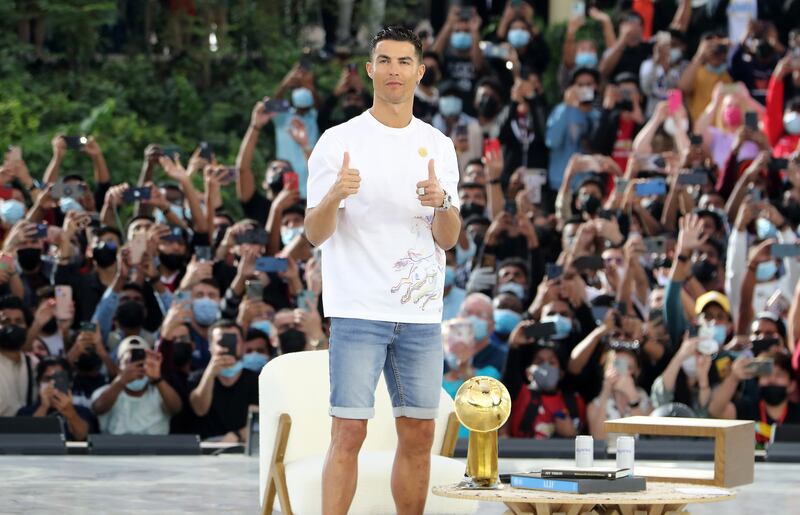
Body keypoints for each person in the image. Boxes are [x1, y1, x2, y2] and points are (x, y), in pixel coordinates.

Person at [305, 27, 460, 515]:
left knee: (419, 434)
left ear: (419, 71)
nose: (394, 70)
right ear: (371, 69)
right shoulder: (338, 140)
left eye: (403, 61)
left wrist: (444, 203)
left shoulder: (439, 144)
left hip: (419, 313)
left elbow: (449, 238)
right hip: (357, 308)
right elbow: (314, 233)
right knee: (348, 431)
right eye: (384, 61)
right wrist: (335, 195)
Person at [91, 336, 182, 435]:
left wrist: (158, 379)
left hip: (154, 448)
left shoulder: (161, 393)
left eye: (141, 363)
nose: (135, 367)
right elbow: (98, 408)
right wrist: (121, 381)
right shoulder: (103, 392)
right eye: (128, 362)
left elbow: (176, 408)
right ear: (118, 367)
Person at [188, 320, 259, 441]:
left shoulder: (256, 380)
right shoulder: (198, 378)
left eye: (233, 340)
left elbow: (259, 422)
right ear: (210, 346)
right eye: (221, 341)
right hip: (207, 447)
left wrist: (236, 436)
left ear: (242, 345)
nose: (227, 346)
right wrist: (210, 373)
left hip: (242, 446)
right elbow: (199, 410)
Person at [17, 357, 97, 441]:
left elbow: (83, 436)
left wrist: (70, 412)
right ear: (38, 383)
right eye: (47, 379)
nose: (52, 384)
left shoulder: (84, 412)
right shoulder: (24, 412)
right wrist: (44, 407)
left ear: (69, 383)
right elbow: (26, 439)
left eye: (59, 379)